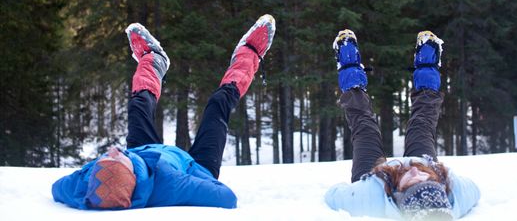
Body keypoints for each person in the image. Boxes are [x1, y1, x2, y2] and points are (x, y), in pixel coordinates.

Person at [52, 14, 276, 210]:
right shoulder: (170, 184)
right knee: (218, 104)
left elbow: (58, 188)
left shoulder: (86, 185)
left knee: (138, 105)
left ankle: (154, 58)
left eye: (104, 161)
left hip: (144, 151)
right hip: (195, 166)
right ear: (130, 175)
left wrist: (92, 184)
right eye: (116, 159)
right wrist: (198, 180)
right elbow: (227, 198)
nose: (112, 152)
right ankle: (249, 54)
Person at [325, 30, 480, 220]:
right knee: (422, 125)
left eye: (411, 182)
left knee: (365, 129)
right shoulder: (454, 194)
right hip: (428, 166)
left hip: (376, 179)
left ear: (399, 196)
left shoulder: (369, 199)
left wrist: (358, 186)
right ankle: (427, 68)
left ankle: (349, 67)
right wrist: (440, 176)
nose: (413, 171)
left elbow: (333, 194)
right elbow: (474, 189)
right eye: (425, 181)